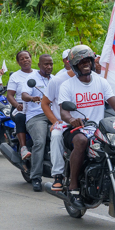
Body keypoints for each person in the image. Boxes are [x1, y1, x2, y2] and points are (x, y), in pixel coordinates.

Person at [57, 45, 115, 198]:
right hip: (75, 130)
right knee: (80, 141)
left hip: (99, 129)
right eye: (81, 62)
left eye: (88, 61)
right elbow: (63, 112)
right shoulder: (67, 85)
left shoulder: (102, 82)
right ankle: (73, 184)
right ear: (75, 66)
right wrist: (73, 120)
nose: (85, 64)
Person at [17, 54, 53, 191]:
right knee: (40, 142)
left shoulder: (55, 80)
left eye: (51, 64)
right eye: (46, 64)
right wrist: (32, 98)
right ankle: (36, 177)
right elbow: (24, 95)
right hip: (36, 116)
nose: (49, 67)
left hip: (53, 116)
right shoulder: (31, 79)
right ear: (39, 65)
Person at [42, 53, 76, 192]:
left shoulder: (93, 79)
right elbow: (45, 103)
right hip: (64, 123)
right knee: (56, 135)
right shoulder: (57, 80)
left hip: (86, 123)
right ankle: (58, 175)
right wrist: (55, 122)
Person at [7, 50, 37, 162]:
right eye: (22, 59)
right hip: (21, 106)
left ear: (31, 59)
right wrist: (16, 104)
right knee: (20, 117)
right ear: (18, 62)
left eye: (27, 58)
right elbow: (9, 95)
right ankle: (23, 148)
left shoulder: (39, 74)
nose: (25, 60)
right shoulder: (15, 76)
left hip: (38, 106)